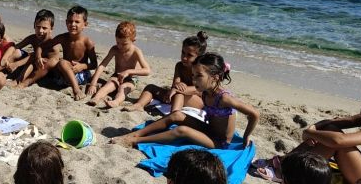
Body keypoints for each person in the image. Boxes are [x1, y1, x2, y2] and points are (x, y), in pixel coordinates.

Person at [259, 81, 361, 184]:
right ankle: (286, 161)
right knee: (330, 132)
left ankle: (289, 171)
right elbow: (330, 123)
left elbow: (339, 141)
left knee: (337, 142)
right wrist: (313, 129)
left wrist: (310, 133)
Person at [113, 53, 258, 149]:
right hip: (208, 129)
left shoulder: (224, 98)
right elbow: (181, 91)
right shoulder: (204, 90)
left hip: (219, 142)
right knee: (177, 115)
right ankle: (136, 134)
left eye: (198, 76)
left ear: (215, 77)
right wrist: (176, 88)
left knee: (182, 130)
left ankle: (135, 141)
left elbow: (254, 114)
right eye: (193, 75)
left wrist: (246, 136)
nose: (194, 79)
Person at [20, 5, 97, 100]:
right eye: (70, 21)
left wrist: (82, 66)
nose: (72, 24)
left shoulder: (88, 42)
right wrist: (38, 56)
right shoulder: (63, 38)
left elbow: (94, 64)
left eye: (77, 22)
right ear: (66, 22)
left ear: (85, 24)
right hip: (63, 75)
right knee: (53, 61)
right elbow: (42, 46)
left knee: (62, 62)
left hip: (80, 75)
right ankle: (25, 83)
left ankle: (76, 90)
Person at [125, 31, 208, 112]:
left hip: (197, 101)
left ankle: (174, 114)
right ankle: (139, 105)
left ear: (199, 57)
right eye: (183, 53)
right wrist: (176, 86)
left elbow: (198, 90)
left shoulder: (200, 70)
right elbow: (175, 83)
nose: (184, 57)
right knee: (150, 87)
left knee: (179, 94)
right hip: (176, 95)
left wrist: (178, 89)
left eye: (189, 55)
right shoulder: (179, 66)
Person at [86, 21, 151, 108]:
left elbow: (147, 71)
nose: (120, 46)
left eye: (124, 44)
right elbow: (102, 65)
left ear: (133, 41)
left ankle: (116, 102)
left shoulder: (136, 52)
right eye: (117, 42)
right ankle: (96, 98)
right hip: (117, 75)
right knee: (108, 85)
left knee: (122, 88)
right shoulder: (115, 49)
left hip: (131, 79)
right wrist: (93, 83)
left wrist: (128, 72)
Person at [1, 9, 56, 84]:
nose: (40, 30)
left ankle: (18, 80)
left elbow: (35, 56)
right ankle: (1, 71)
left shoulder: (52, 42)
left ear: (51, 28)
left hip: (43, 70)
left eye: (44, 28)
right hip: (30, 63)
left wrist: (16, 64)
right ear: (34, 25)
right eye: (38, 27)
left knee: (33, 57)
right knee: (17, 52)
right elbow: (15, 47)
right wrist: (5, 58)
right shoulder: (33, 38)